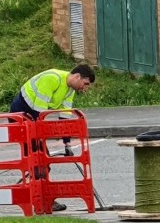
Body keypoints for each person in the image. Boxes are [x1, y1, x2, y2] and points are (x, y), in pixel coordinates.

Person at [10, 64, 96, 211]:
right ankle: (34, 197)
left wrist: (67, 145)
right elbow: (39, 112)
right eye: (85, 83)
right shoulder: (52, 78)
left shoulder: (69, 90)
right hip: (21, 119)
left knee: (42, 161)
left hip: (33, 119)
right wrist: (42, 137)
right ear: (77, 77)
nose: (85, 88)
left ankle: (40, 198)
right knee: (38, 160)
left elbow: (65, 118)